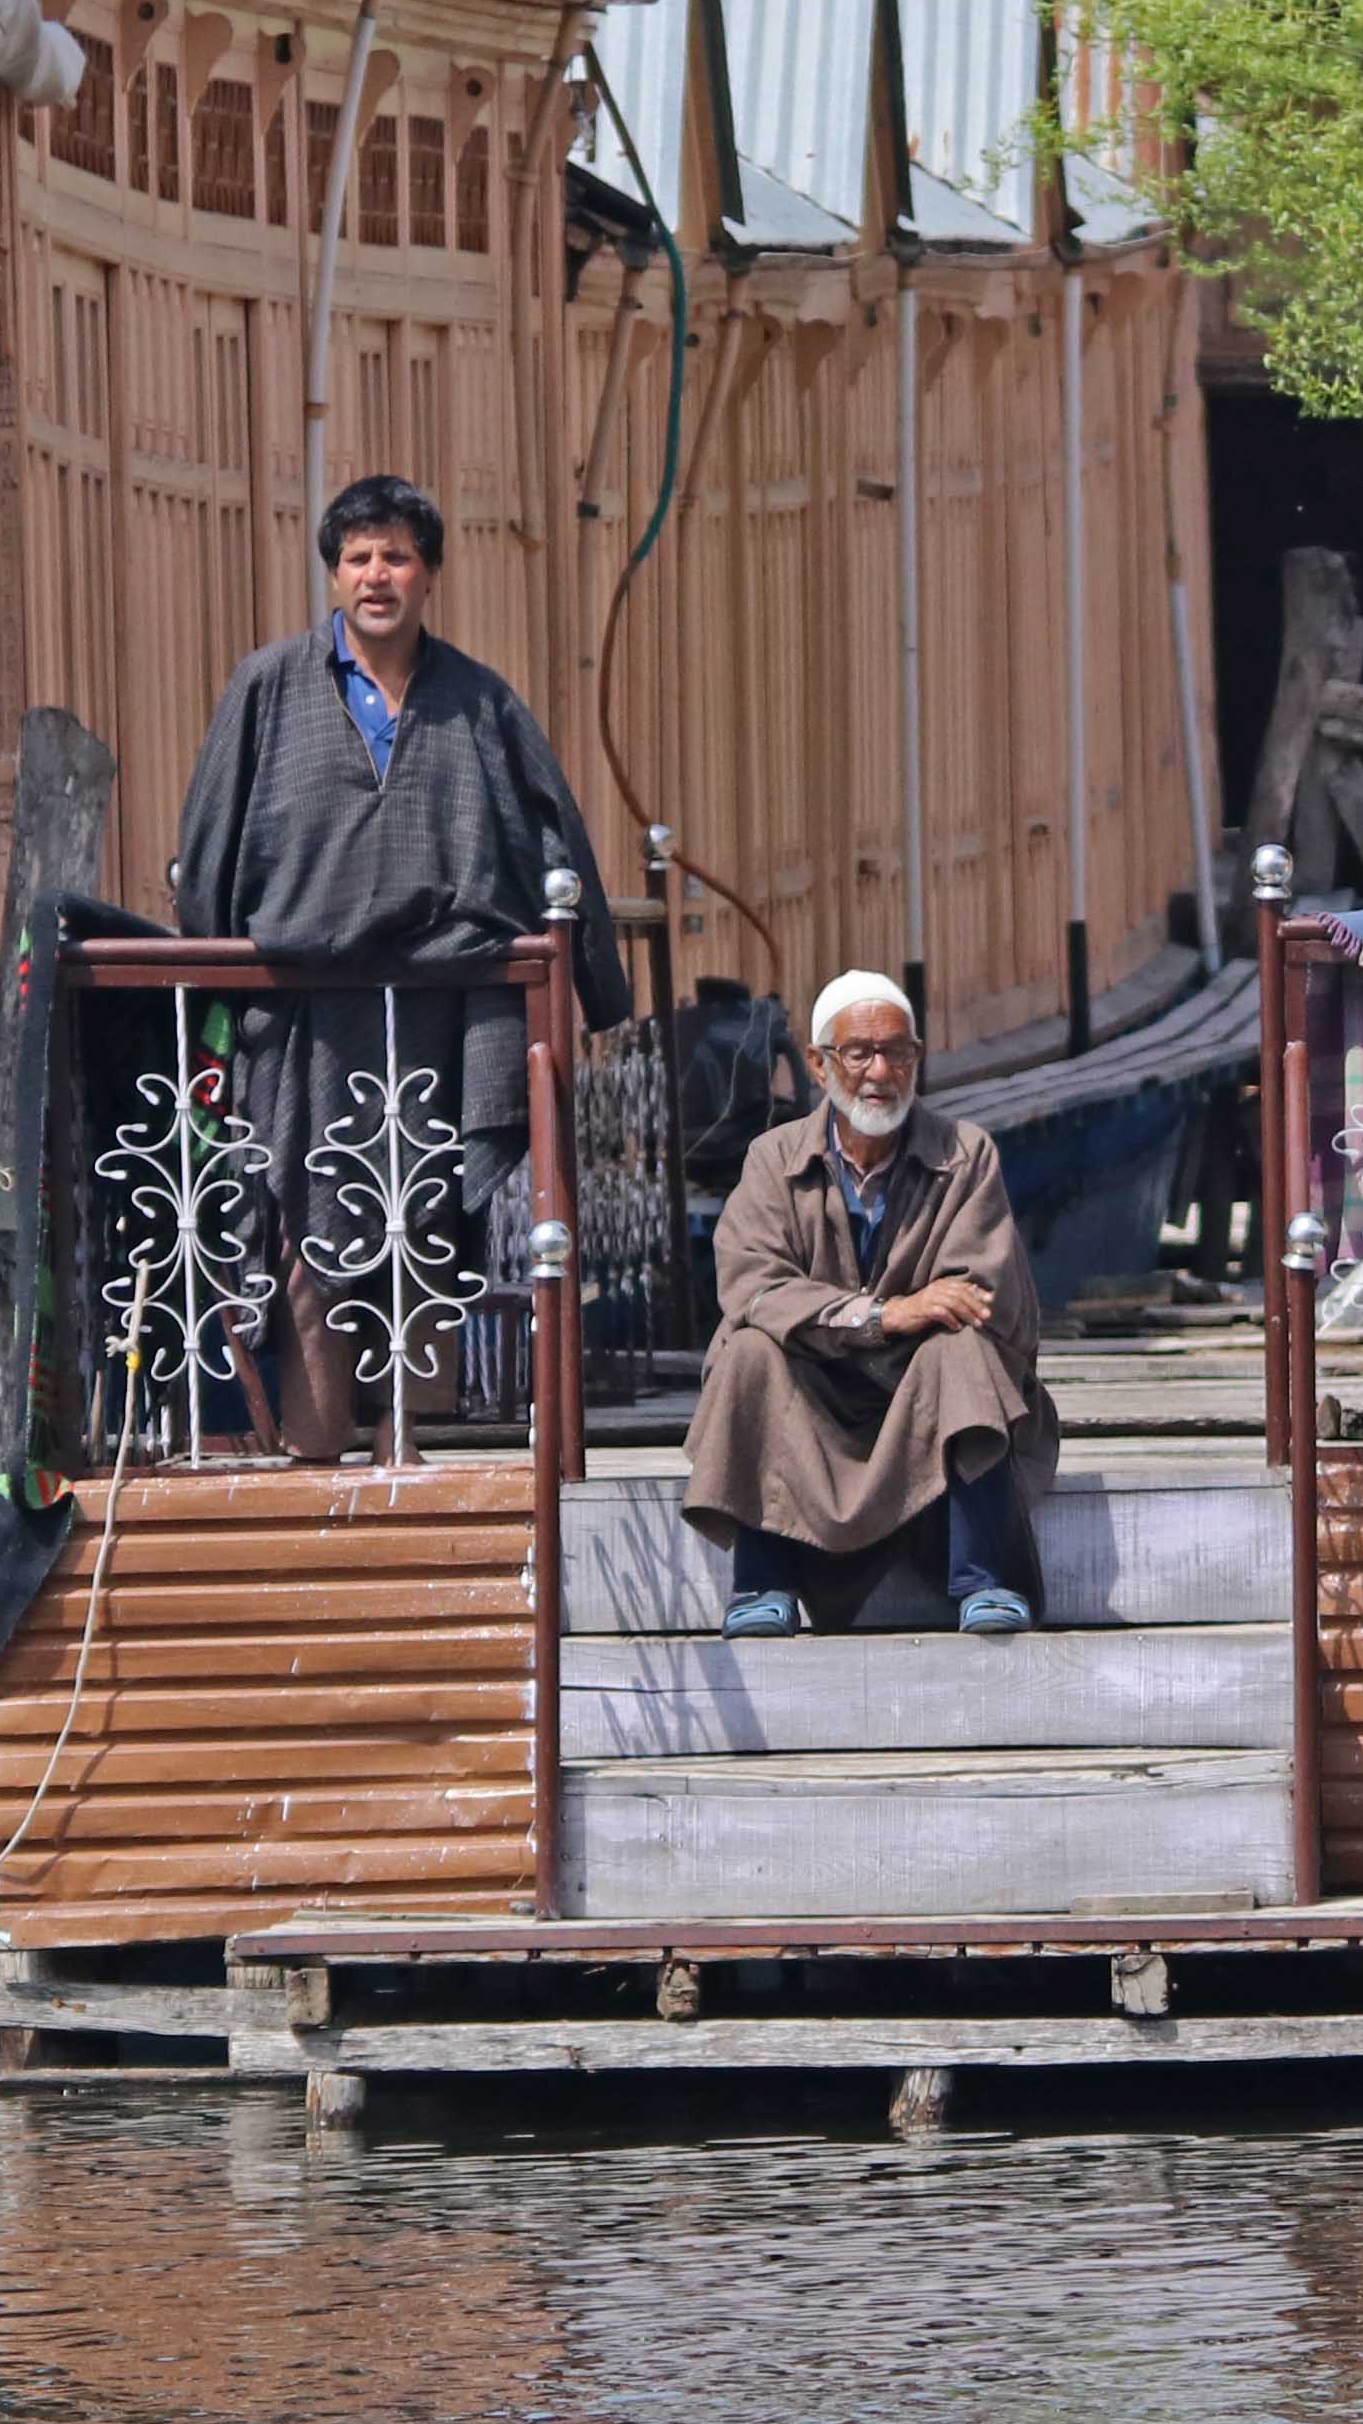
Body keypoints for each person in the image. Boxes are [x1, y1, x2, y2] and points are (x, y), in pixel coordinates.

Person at [171, 473, 626, 1459]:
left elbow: (558, 838)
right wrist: (211, 994)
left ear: (429, 576)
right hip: (302, 1011)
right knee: (305, 1212)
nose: (377, 575)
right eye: (358, 557)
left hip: (441, 1008)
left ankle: (408, 1442)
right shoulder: (268, 688)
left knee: (427, 1210)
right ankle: (317, 1445)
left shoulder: (478, 700)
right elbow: (208, 844)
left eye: (397, 556)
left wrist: (595, 986)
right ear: (335, 575)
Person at [683, 972, 1062, 1637]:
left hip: (922, 1393)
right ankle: (762, 1584)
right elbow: (753, 1284)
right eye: (858, 1053)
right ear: (818, 1063)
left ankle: (984, 1579)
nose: (879, 1072)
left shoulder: (965, 1153)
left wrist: (902, 1320)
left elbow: (977, 1293)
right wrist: (883, 1315)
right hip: (814, 1390)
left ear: (917, 1059)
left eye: (897, 1053)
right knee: (746, 1350)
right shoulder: (772, 1158)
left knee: (963, 1348)